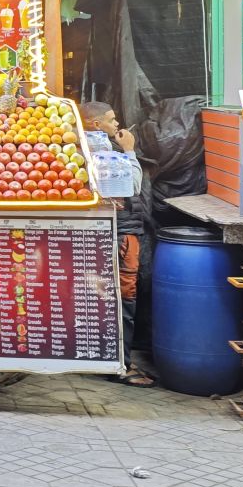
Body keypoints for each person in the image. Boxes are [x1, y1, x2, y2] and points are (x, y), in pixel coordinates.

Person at [81, 101, 152, 388]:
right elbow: (132, 186)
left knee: (103, 298)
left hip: (106, 230)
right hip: (121, 233)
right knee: (124, 297)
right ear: (96, 125)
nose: (117, 124)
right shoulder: (105, 151)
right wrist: (130, 150)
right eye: (112, 120)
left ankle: (110, 358)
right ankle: (119, 363)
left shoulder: (83, 148)